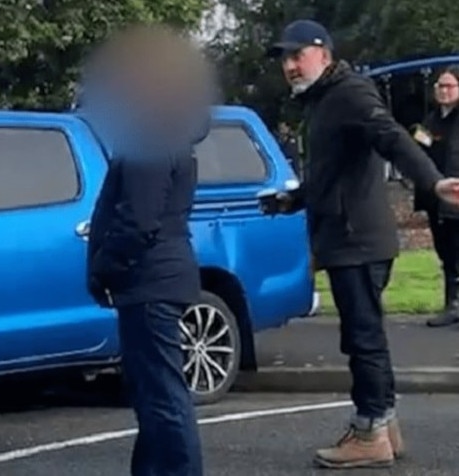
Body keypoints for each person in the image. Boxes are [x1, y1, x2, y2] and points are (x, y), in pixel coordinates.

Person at [264, 20, 459, 469]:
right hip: (349, 237)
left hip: (358, 240)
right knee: (364, 337)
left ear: (324, 54)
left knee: (363, 339)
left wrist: (433, 181)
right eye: (286, 60)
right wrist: (291, 200)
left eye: (298, 56)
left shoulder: (349, 93)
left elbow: (391, 137)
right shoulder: (322, 100)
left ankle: (370, 431)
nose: (291, 66)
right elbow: (331, 175)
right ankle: (384, 428)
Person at [82, 24, 216, 476]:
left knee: (162, 395)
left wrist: (104, 266)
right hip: (155, 277)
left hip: (149, 279)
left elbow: (138, 220)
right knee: (151, 393)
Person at [411, 67, 459, 327]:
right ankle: (452, 302)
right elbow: (420, 150)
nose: (443, 90)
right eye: (440, 85)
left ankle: (455, 303)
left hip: (455, 196)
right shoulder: (431, 121)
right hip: (436, 198)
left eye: (449, 86)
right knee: (446, 252)